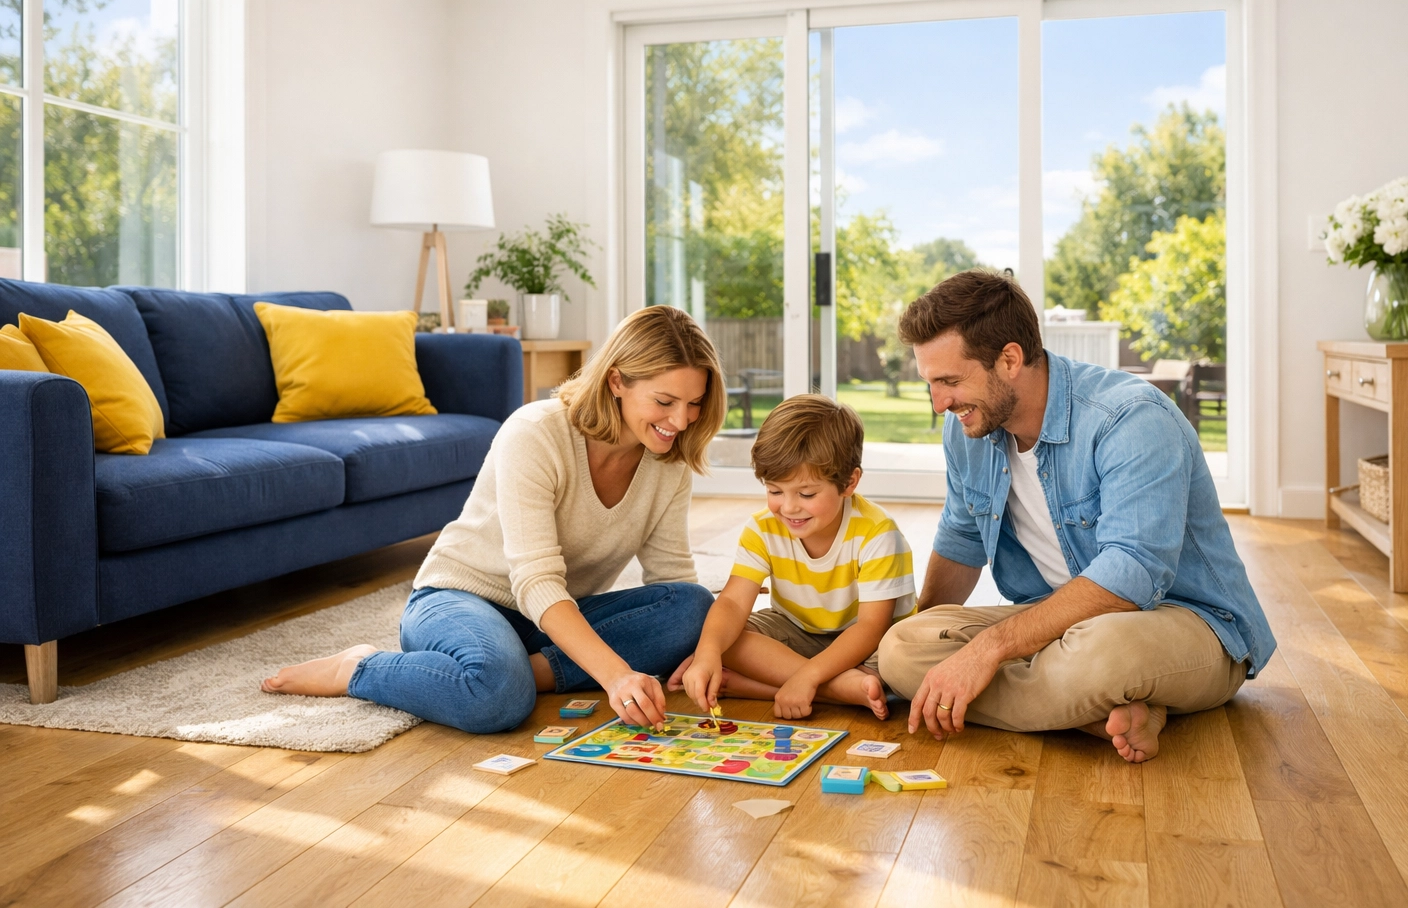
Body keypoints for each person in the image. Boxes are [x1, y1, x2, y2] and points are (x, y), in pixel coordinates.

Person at [261, 304, 725, 734]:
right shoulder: (536, 432)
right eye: (665, 402)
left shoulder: (669, 464)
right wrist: (616, 675)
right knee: (498, 701)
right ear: (617, 381)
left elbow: (672, 580)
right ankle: (359, 668)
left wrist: (705, 650)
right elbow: (535, 581)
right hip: (461, 598)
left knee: (692, 606)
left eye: (694, 403)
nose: (681, 421)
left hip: (549, 619)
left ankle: (517, 671)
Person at [876, 270, 1275, 762]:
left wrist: (986, 650)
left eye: (950, 381)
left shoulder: (1130, 418)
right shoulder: (968, 429)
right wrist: (918, 644)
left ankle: (1091, 696)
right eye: (930, 384)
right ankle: (1107, 711)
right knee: (901, 649)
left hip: (1184, 624)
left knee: (1103, 652)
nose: (939, 404)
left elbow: (1133, 574)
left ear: (1010, 359)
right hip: (1058, 623)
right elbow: (961, 539)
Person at [670, 394, 914, 720]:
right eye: (775, 491)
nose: (788, 507)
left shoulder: (878, 533)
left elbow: (871, 628)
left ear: (849, 482)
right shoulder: (762, 528)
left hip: (868, 643)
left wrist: (807, 677)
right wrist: (707, 654)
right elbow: (731, 602)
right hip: (798, 634)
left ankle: (774, 685)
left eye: (807, 494)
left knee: (900, 664)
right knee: (722, 636)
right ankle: (839, 690)